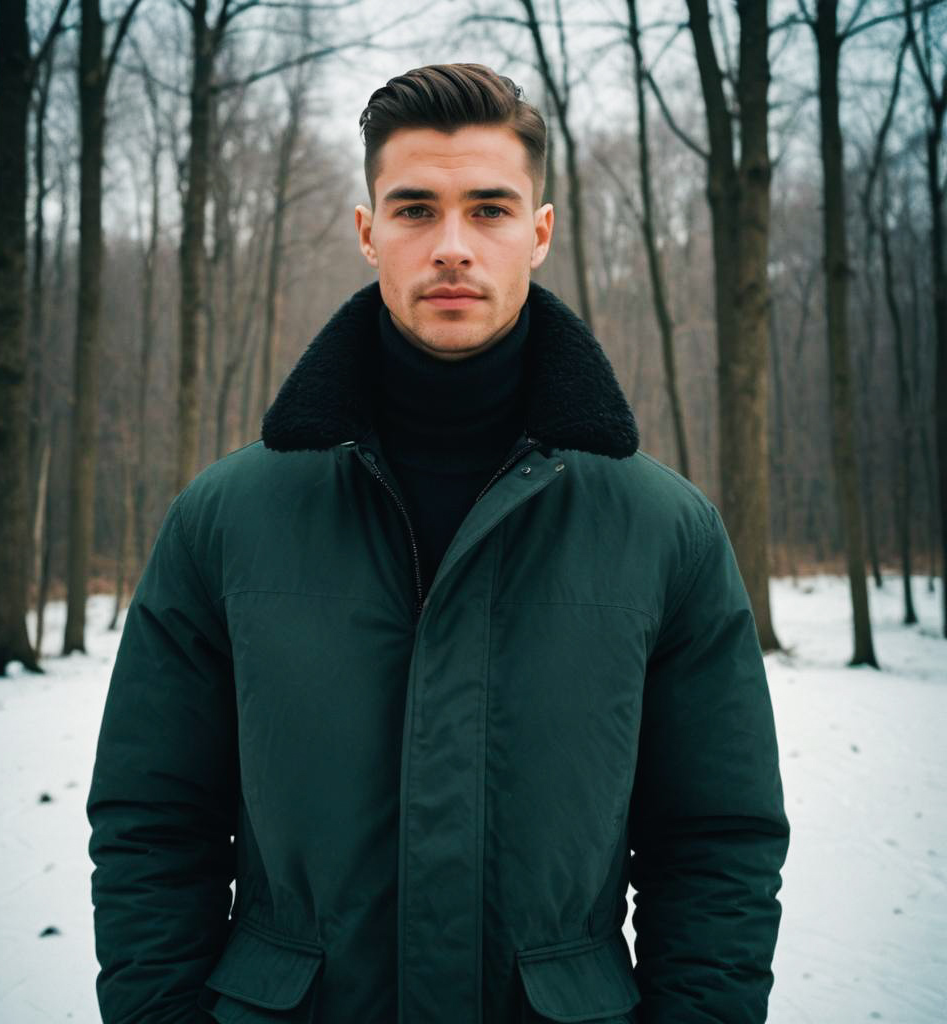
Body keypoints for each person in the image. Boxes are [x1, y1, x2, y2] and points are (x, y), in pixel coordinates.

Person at [86, 62, 790, 1024]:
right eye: (415, 209)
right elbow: (152, 826)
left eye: (490, 210)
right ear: (369, 229)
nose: (452, 246)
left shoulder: (666, 531)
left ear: (538, 233)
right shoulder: (226, 521)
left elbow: (717, 844)